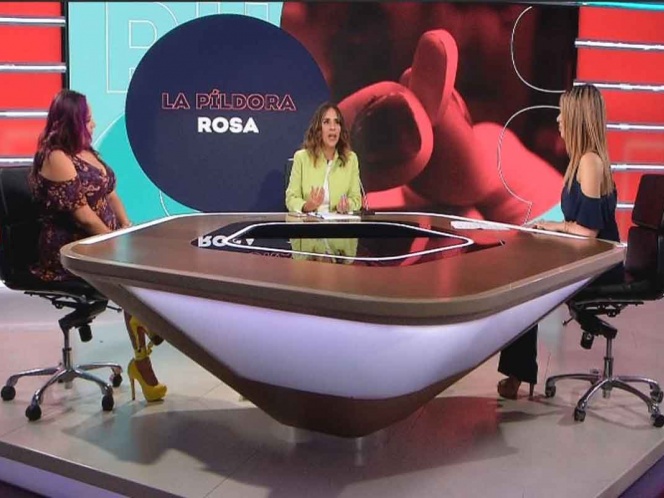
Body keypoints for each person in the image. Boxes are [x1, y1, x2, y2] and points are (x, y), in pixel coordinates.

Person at [28, 89, 167, 403]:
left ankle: (144, 350)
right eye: (87, 119)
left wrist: (127, 226)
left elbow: (109, 194)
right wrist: (113, 245)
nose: (93, 124)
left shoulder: (86, 151)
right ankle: (145, 351)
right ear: (70, 121)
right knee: (130, 283)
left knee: (143, 270)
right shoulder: (56, 157)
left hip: (102, 242)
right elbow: (84, 216)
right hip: (71, 251)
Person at [497, 84, 622, 399]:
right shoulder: (581, 160)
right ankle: (518, 372)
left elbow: (588, 232)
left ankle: (518, 373)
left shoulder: (590, 162)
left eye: (563, 114)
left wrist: (557, 227)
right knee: (523, 275)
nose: (558, 121)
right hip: (587, 257)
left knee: (526, 286)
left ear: (578, 119)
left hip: (598, 266)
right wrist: (551, 226)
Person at [285, 102, 362, 214]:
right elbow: (291, 199)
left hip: (340, 223)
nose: (332, 127)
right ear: (318, 129)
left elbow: (356, 199)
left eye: (337, 122)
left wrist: (347, 205)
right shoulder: (301, 158)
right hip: (309, 223)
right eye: (326, 122)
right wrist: (307, 206)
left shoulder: (351, 159)